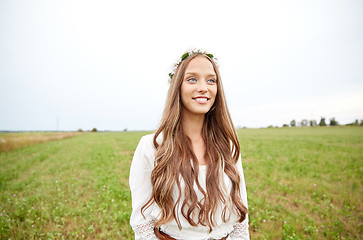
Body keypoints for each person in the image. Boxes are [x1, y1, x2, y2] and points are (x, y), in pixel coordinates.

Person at [129, 49, 249, 240]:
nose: (203, 87)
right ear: (177, 87)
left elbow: (241, 218)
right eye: (192, 79)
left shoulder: (228, 145)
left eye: (211, 80)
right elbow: (141, 223)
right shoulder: (152, 146)